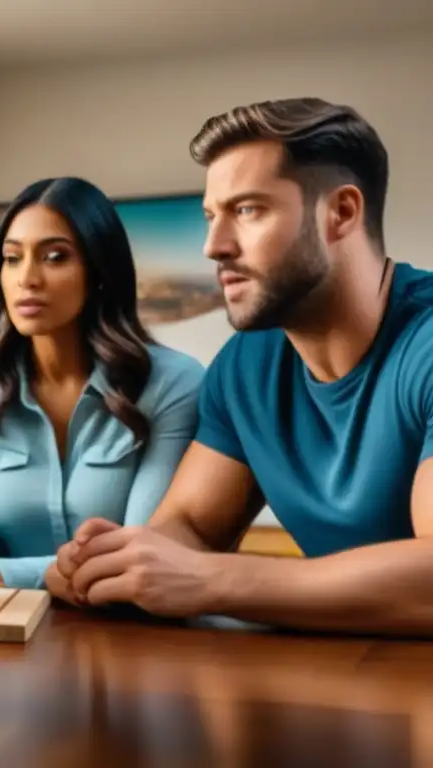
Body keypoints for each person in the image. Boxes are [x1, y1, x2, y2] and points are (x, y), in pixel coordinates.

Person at [56, 97, 433, 637]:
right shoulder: (245, 366)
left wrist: (213, 580)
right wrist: (119, 565)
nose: (214, 246)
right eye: (212, 216)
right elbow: (189, 525)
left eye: (248, 210)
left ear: (342, 213)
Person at [0, 177, 205, 591]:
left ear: (99, 271)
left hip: (131, 634)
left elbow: (143, 551)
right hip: (0, 628)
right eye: (12, 259)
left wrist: (3, 574)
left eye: (55, 257)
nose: (27, 278)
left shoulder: (173, 384)